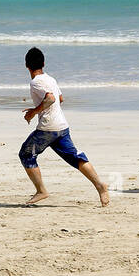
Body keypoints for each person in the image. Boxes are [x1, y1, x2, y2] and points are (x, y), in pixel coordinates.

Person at [19, 47, 110, 206]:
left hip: (48, 128)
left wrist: (34, 112)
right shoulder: (50, 79)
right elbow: (61, 99)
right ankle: (100, 186)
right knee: (75, 157)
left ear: (27, 65)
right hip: (61, 126)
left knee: (26, 154)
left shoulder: (36, 82)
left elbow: (51, 98)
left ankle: (41, 191)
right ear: (44, 63)